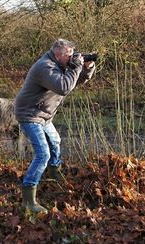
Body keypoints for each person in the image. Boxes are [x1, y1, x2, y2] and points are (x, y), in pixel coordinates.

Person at [14, 38, 96, 214]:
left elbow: (74, 81)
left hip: (43, 115)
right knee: (43, 154)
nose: (72, 57)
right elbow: (64, 87)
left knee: (55, 142)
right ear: (58, 55)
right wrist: (75, 67)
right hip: (30, 114)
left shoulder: (59, 64)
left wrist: (86, 68)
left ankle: (55, 176)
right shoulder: (45, 66)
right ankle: (28, 200)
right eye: (69, 55)